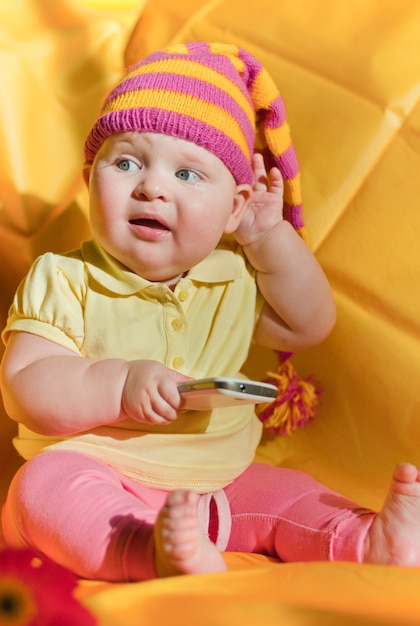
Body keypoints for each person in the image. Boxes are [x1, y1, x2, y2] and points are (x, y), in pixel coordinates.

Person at [1, 42, 420, 581]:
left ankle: (363, 539)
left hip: (220, 483)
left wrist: (267, 236)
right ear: (89, 181)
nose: (152, 187)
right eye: (126, 162)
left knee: (289, 494)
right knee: (40, 488)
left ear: (235, 207)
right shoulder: (64, 277)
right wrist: (120, 385)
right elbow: (26, 384)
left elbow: (309, 323)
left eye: (188, 175)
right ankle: (145, 548)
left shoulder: (233, 278)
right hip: (99, 472)